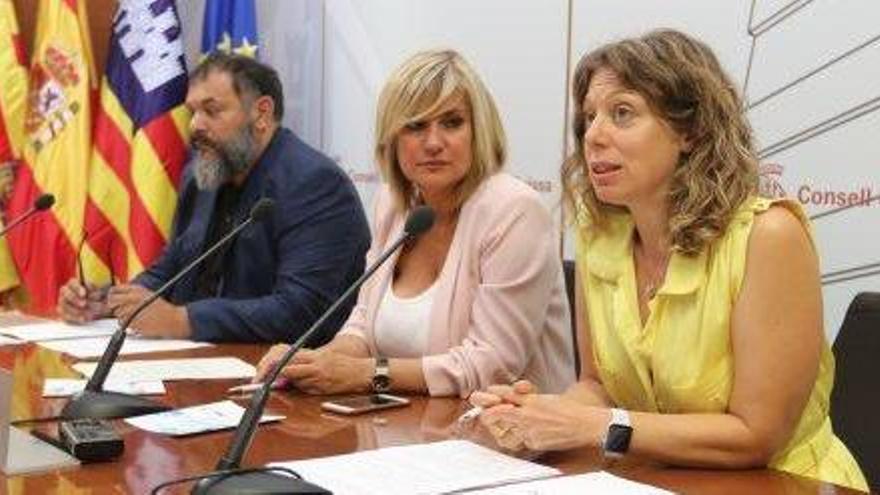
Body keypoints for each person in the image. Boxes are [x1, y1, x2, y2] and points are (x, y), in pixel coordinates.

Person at [472, 29, 867, 490]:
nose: (594, 136)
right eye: (589, 118)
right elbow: (598, 387)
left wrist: (596, 427)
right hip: (658, 481)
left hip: (786, 484)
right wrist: (538, 417)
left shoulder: (769, 236)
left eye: (622, 114)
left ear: (690, 131)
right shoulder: (600, 238)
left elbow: (757, 435)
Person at [255, 49, 575, 398]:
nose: (434, 142)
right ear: (391, 139)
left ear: (478, 131)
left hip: (506, 439)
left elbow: (492, 365)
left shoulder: (514, 210)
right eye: (416, 125)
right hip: (408, 427)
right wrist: (314, 362)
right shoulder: (394, 204)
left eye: (452, 123)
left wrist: (365, 374)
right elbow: (363, 325)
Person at [57, 53, 371, 344]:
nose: (194, 125)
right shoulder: (202, 177)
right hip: (200, 364)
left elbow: (302, 310)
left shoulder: (315, 184)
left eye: (212, 110)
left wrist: (184, 320)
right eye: (193, 112)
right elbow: (172, 268)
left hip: (284, 377)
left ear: (262, 113)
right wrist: (109, 302)